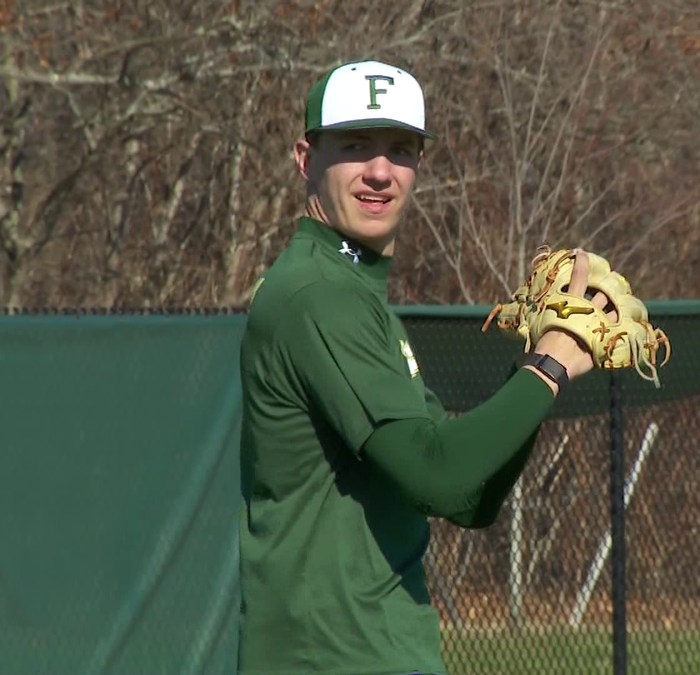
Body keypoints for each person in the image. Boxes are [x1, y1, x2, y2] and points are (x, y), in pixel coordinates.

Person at [237, 59, 615, 675]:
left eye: (401, 150)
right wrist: (550, 365)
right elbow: (439, 477)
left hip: (368, 649)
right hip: (334, 656)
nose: (381, 172)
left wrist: (538, 367)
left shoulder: (353, 296)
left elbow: (467, 495)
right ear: (306, 158)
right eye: (356, 146)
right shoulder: (319, 296)